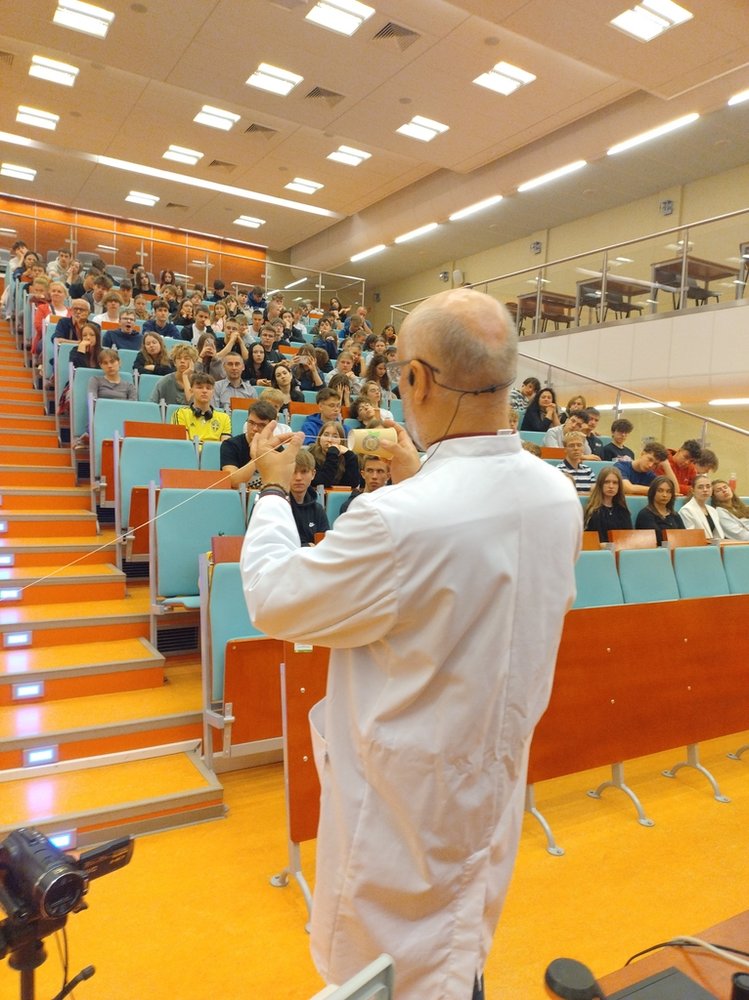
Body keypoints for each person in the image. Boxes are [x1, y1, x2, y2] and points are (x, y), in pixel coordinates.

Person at [239, 287, 580, 1000]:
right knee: (460, 959)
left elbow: (274, 600)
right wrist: (417, 477)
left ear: (417, 380)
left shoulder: (397, 520)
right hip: (483, 797)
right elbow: (470, 537)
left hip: (397, 821)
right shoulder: (554, 497)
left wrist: (273, 494)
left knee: (388, 981)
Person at [220, 399, 279, 489]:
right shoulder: (230, 445)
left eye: (261, 425)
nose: (254, 428)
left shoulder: (277, 448)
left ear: (271, 427)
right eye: (251, 423)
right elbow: (233, 482)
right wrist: (258, 456)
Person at [172, 374, 231, 444]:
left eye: (208, 388)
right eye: (199, 387)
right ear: (191, 391)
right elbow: (184, 446)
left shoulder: (224, 418)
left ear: (213, 392)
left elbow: (224, 448)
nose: (204, 391)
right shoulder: (180, 413)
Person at [289, 449, 329, 545]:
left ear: (313, 474)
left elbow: (325, 545)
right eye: (293, 471)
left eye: (304, 472)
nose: (298, 477)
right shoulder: (277, 506)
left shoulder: (318, 510)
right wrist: (306, 546)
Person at [583, 467, 632, 541]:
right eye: (606, 482)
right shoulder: (592, 511)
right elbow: (592, 541)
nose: (611, 486)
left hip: (621, 549)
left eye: (615, 483)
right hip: (600, 551)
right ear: (600, 484)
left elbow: (628, 538)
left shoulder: (623, 510)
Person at [308, 421, 360, 489]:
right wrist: (332, 454)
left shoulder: (347, 457)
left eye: (335, 436)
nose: (329, 440)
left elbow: (351, 484)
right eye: (326, 435)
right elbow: (322, 483)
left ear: (341, 440)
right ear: (320, 437)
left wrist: (349, 455)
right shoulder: (310, 454)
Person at [634, 476, 685, 544]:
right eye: (660, 491)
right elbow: (656, 539)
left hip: (676, 551)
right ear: (653, 492)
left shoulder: (675, 515)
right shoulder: (645, 515)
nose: (665, 495)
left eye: (668, 491)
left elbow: (684, 537)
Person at [679, 474, 725, 539]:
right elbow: (691, 537)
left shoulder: (712, 510)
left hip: (715, 546)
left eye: (708, 487)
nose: (705, 490)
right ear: (693, 491)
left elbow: (717, 535)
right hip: (699, 547)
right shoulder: (686, 510)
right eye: (700, 487)